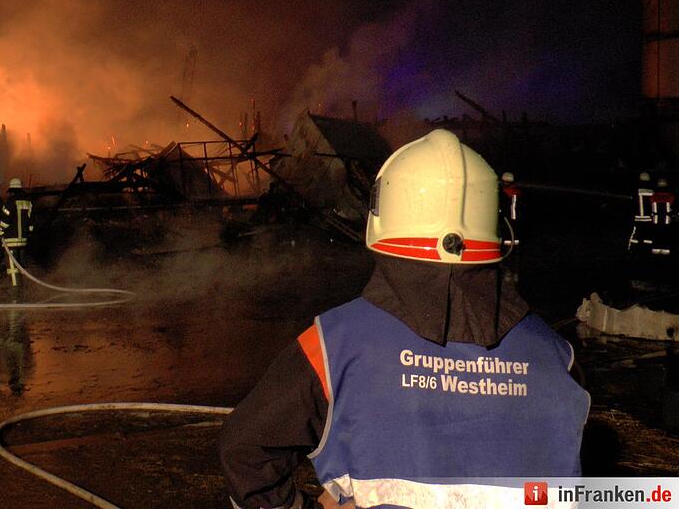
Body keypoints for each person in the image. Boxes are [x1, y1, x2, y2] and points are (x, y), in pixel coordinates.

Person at [218, 129, 589, 509]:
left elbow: (245, 450)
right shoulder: (556, 355)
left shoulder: (333, 345)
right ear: (495, 224)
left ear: (383, 216)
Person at [0, 178, 34, 288]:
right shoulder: (28, 202)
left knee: (12, 268)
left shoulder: (10, 202)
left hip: (10, 241)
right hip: (23, 241)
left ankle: (15, 290)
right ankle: (24, 287)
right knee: (21, 266)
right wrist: (27, 232)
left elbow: (5, 220)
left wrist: (1, 230)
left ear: (12, 190)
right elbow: (31, 223)